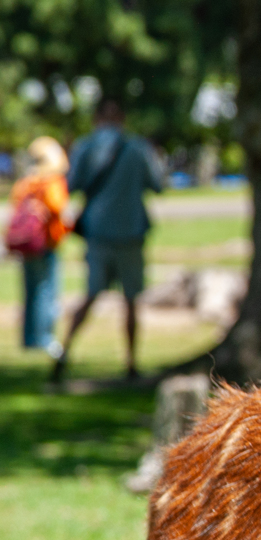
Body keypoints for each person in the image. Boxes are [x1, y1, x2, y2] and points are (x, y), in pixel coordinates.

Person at [52, 100, 164, 382]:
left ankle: (63, 354)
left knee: (90, 296)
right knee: (131, 301)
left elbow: (71, 184)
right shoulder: (138, 148)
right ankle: (131, 363)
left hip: (98, 235)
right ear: (122, 119)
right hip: (131, 234)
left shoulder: (85, 147)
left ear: (97, 118)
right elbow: (158, 184)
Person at [7, 137, 70, 357]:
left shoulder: (25, 183)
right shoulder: (50, 182)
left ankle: (30, 338)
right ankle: (43, 338)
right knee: (45, 291)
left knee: (31, 291)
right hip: (45, 242)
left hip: (27, 244)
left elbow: (14, 203)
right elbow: (58, 206)